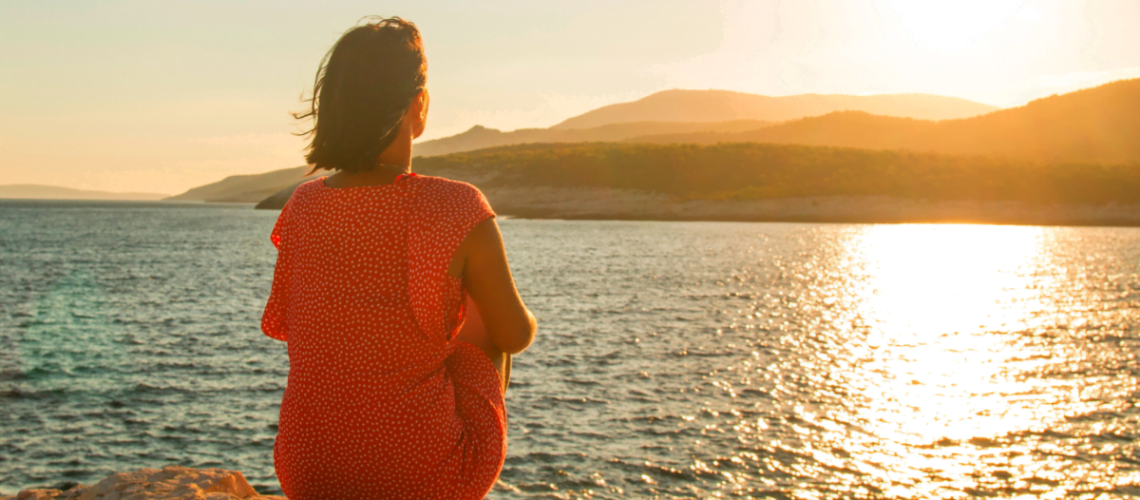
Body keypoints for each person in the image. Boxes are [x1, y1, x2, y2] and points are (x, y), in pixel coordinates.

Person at [261, 17, 536, 500]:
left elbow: (301, 330)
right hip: (419, 479)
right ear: (419, 105)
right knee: (485, 326)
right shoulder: (457, 205)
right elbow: (513, 334)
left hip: (308, 474)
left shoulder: (301, 205)